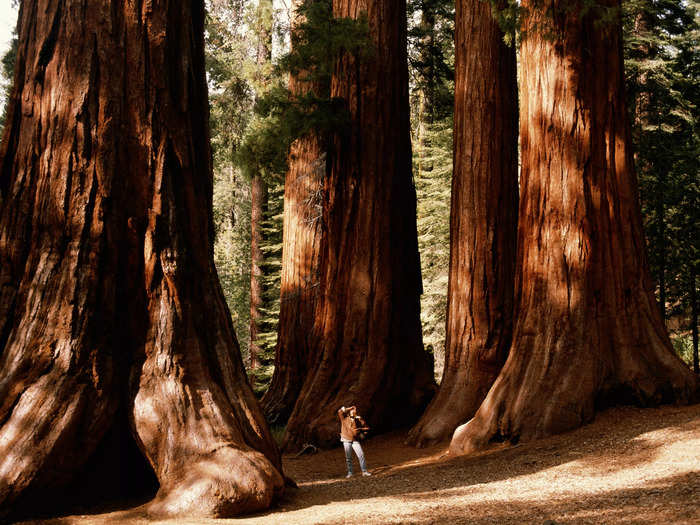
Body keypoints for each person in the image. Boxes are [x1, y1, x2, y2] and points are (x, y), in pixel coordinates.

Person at [338, 405, 371, 478]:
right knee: (348, 457)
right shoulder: (344, 419)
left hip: (355, 440)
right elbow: (340, 412)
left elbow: (366, 428)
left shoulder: (358, 419)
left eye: (354, 411)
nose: (353, 412)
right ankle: (350, 473)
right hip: (346, 439)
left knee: (361, 454)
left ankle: (364, 471)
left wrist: (362, 433)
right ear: (349, 413)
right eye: (351, 412)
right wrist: (350, 408)